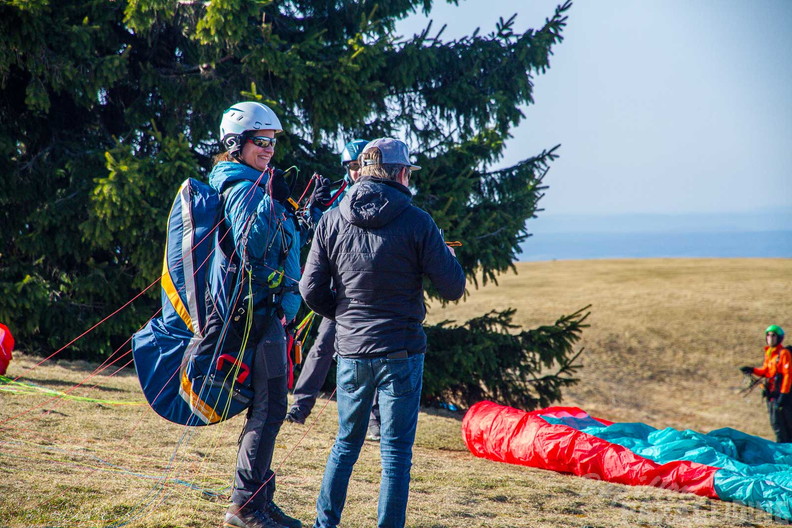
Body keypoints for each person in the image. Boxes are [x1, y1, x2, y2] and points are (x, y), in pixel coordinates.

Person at [299, 138, 466, 528]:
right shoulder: (418, 221)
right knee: (394, 454)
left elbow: (309, 289)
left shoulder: (333, 218)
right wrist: (449, 256)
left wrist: (343, 315)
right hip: (401, 352)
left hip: (353, 350)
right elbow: (453, 287)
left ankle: (326, 524)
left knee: (345, 444)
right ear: (400, 172)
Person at [211, 101, 315, 528]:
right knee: (270, 410)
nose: (269, 149)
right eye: (261, 141)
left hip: (273, 316)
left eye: (272, 142)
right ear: (236, 145)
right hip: (258, 317)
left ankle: (257, 499)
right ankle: (246, 507)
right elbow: (253, 250)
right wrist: (272, 205)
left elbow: (282, 248)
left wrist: (310, 217)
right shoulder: (239, 187)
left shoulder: (259, 184)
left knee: (268, 409)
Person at [286, 139, 382, 441]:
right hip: (337, 287)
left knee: (375, 352)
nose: (355, 172)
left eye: (360, 166)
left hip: (370, 288)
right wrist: (314, 210)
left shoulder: (383, 197)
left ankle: (376, 422)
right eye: (351, 167)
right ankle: (300, 408)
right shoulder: (336, 196)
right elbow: (320, 235)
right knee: (322, 346)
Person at [741, 324, 792, 443]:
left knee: (785, 426)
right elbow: (767, 371)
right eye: (768, 335)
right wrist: (752, 370)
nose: (770, 338)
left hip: (782, 396)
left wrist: (784, 394)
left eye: (773, 335)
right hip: (772, 395)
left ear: (779, 338)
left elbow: (788, 375)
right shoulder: (770, 353)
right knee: (776, 424)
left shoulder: (784, 353)